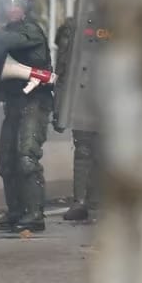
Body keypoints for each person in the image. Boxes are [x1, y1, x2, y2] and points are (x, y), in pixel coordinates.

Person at [0, 0, 53, 233]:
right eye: (8, 4)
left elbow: (9, 42)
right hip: (14, 102)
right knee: (6, 161)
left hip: (35, 102)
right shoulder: (3, 32)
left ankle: (34, 214)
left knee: (26, 157)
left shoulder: (30, 31)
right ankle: (15, 211)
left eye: (17, 4)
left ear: (25, 7)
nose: (12, 9)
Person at [53, 16, 100, 221]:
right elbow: (63, 69)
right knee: (83, 149)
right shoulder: (74, 28)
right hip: (84, 94)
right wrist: (60, 107)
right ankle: (80, 201)